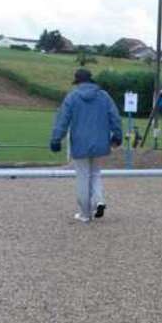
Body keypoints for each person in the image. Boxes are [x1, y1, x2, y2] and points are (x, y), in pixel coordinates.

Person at [50, 68, 122, 222]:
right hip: (101, 142)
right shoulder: (104, 96)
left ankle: (85, 214)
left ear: (77, 82)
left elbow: (62, 120)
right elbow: (114, 116)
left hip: (80, 143)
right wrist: (117, 135)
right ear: (91, 80)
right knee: (95, 173)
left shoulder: (72, 97)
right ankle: (99, 201)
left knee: (83, 176)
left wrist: (56, 139)